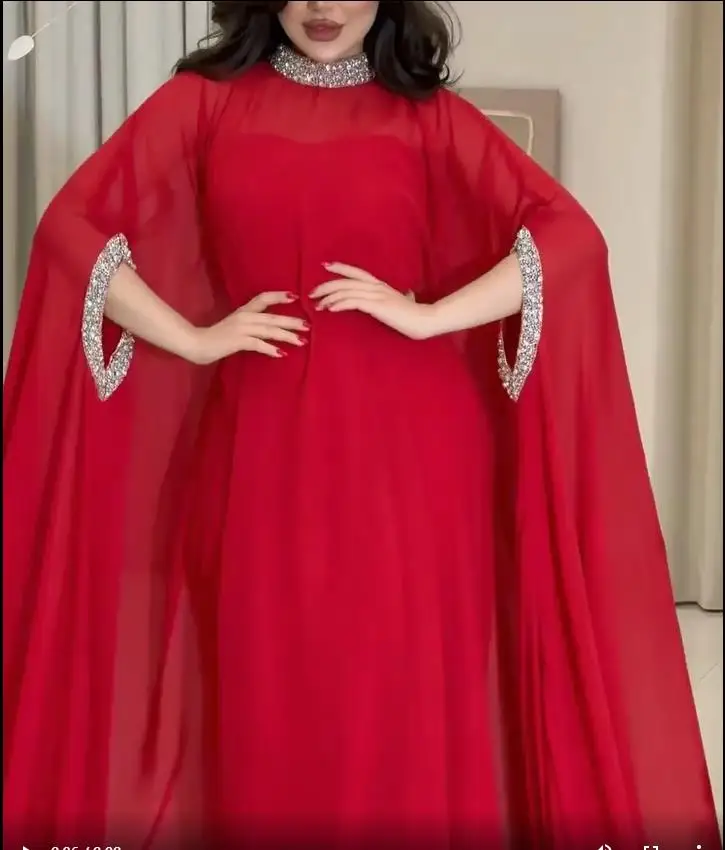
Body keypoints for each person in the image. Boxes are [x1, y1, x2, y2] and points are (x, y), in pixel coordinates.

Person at [3, 1, 720, 848]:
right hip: (258, 459)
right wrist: (193, 338)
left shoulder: (428, 118)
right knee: (267, 691)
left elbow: (571, 240)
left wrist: (431, 316)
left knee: (392, 693)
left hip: (410, 469)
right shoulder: (204, 103)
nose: (324, 7)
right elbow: (69, 228)